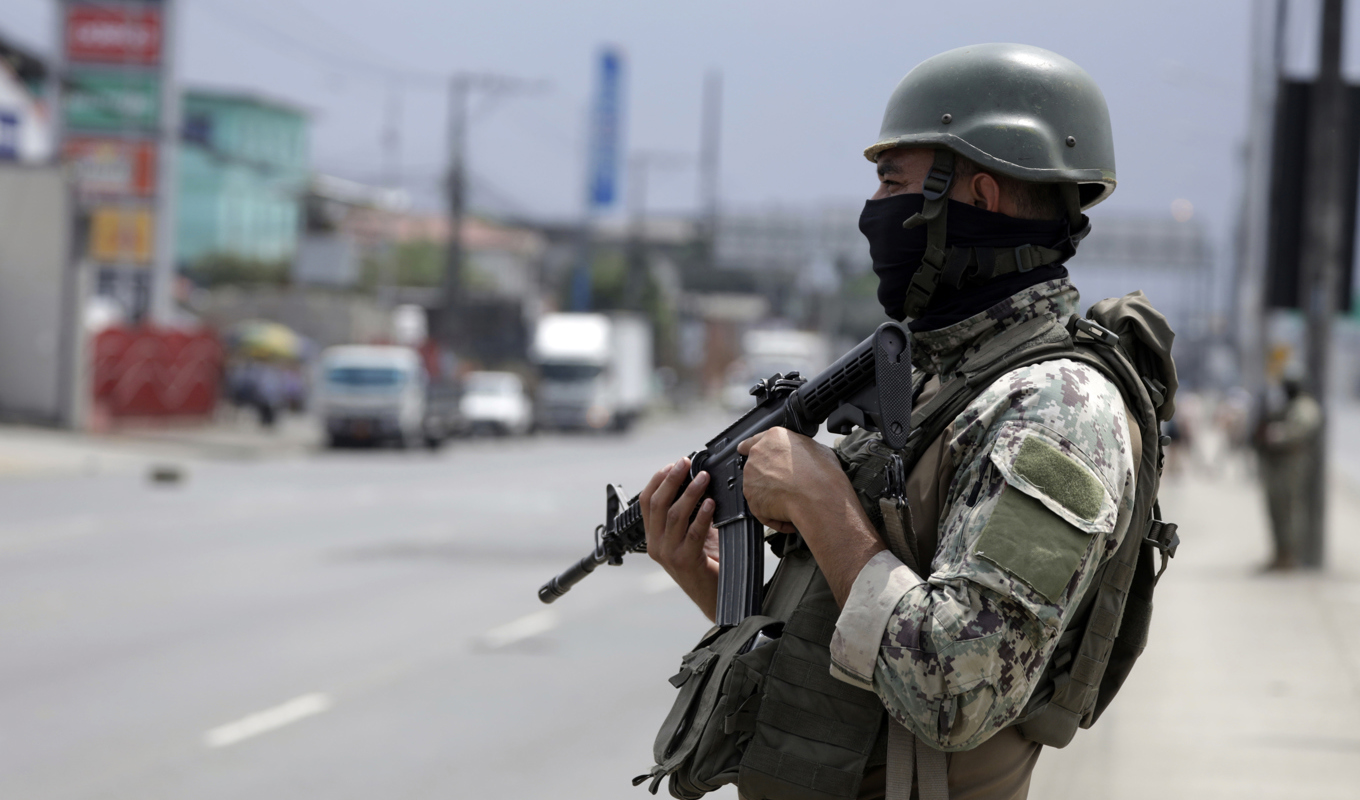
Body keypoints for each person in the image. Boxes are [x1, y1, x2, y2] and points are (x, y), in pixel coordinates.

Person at [641, 44, 1152, 800]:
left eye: (892, 182)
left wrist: (819, 500)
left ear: (977, 193)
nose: (873, 213)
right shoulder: (941, 379)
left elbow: (955, 690)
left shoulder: (1054, 409)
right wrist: (720, 588)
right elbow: (857, 659)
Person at [1255, 374, 1322, 570]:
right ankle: (1280, 555)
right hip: (1279, 465)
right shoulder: (1291, 405)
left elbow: (1298, 431)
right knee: (1277, 511)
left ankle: (1290, 557)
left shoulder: (1305, 406)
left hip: (1293, 465)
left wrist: (1275, 435)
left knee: (1290, 512)